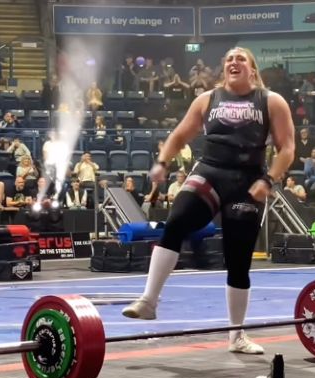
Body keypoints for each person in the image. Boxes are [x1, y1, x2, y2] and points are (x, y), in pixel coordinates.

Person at [122, 47, 296, 356]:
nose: (233, 61)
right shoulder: (207, 99)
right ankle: (149, 300)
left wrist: (268, 180)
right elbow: (179, 135)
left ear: (253, 70)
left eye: (240, 58)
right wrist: (162, 162)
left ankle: (236, 336)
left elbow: (287, 148)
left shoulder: (271, 101)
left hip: (247, 182)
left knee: (238, 259)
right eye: (228, 58)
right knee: (175, 222)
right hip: (210, 171)